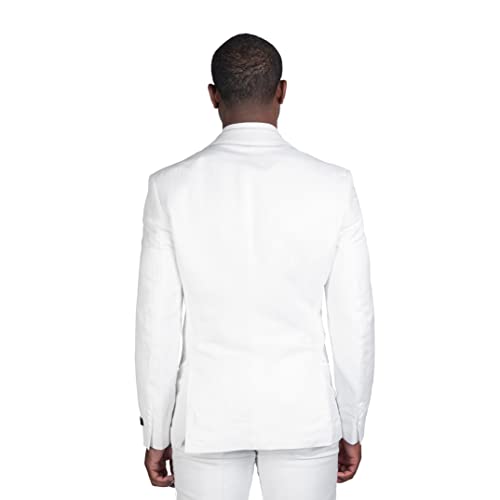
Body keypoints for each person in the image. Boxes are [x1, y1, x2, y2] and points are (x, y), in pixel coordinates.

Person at [134, 32, 375, 500]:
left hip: (206, 418)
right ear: (282, 91)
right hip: (303, 415)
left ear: (213, 95)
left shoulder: (170, 188)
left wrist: (156, 431)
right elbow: (354, 320)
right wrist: (353, 422)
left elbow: (155, 327)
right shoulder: (333, 185)